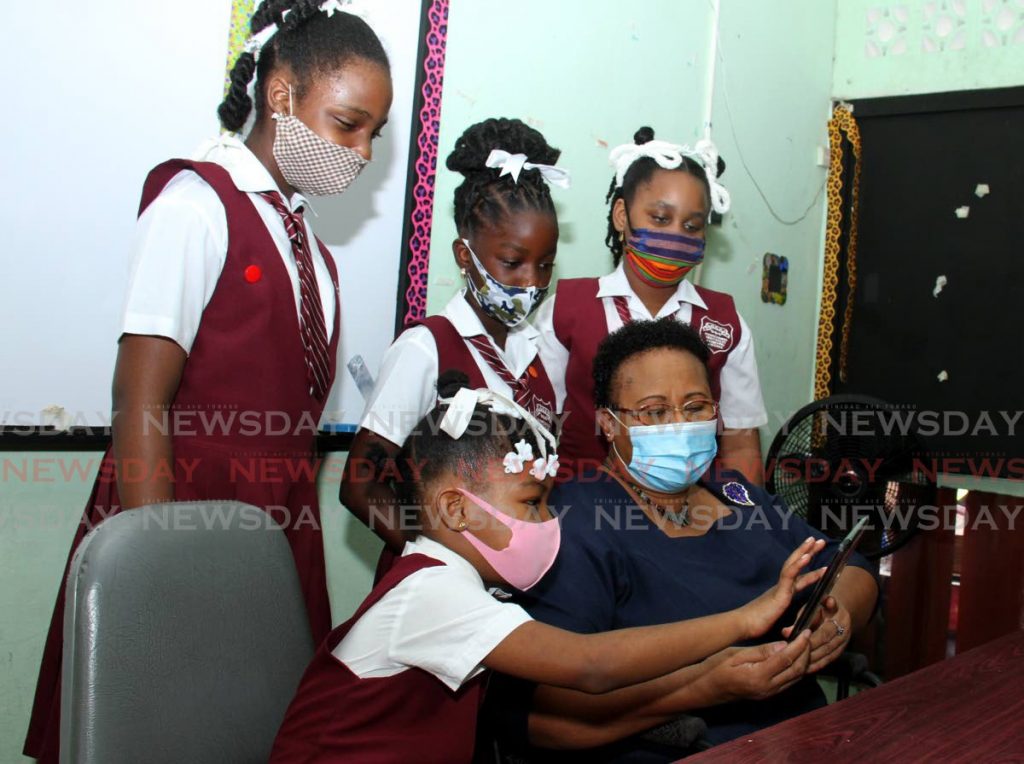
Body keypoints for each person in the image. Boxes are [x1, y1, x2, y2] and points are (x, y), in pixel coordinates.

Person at [23, 3, 392, 761]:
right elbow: (140, 399)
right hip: (178, 525)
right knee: (152, 728)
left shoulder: (313, 255)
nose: (359, 153)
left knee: (253, 734)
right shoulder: (196, 206)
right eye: (348, 124)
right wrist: (161, 571)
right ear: (282, 95)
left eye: (373, 137)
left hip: (274, 539)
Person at [269, 372, 823, 763]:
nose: (548, 521)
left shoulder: (464, 587)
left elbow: (582, 708)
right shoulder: (432, 591)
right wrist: (743, 621)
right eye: (531, 503)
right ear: (456, 509)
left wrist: (710, 680)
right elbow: (590, 667)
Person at [486, 319, 879, 760]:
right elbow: (541, 720)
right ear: (608, 424)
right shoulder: (577, 524)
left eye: (695, 407)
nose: (679, 425)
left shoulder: (736, 492)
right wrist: (702, 689)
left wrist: (836, 617)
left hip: (808, 738)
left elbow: (853, 569)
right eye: (654, 412)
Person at [340, 117, 569, 557]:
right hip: (443, 590)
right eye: (512, 262)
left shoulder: (540, 352)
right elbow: (359, 485)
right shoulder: (425, 349)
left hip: (518, 585)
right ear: (465, 255)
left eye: (545, 264)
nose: (531, 281)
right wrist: (438, 562)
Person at [535, 126, 767, 484]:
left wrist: (746, 524)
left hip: (693, 520)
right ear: (621, 216)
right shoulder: (566, 310)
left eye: (692, 225)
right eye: (660, 218)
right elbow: (537, 429)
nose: (675, 235)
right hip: (582, 512)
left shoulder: (724, 322)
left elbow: (741, 445)